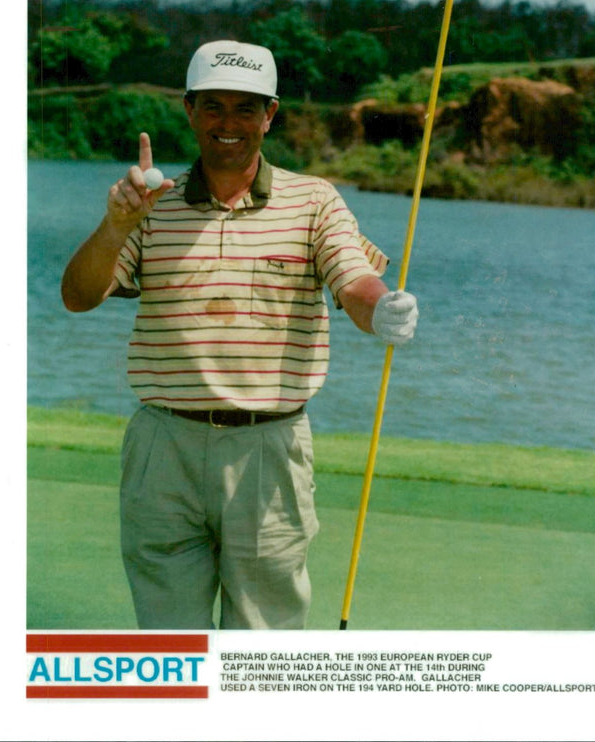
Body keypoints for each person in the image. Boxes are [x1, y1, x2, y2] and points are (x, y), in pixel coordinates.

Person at [61, 40, 419, 630]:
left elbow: (354, 281)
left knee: (262, 646)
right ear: (189, 110)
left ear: (270, 115)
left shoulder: (314, 199)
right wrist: (115, 225)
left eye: (246, 109)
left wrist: (383, 309)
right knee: (168, 643)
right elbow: (78, 296)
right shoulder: (152, 204)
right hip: (163, 448)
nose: (229, 124)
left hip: (267, 449)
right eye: (214, 107)